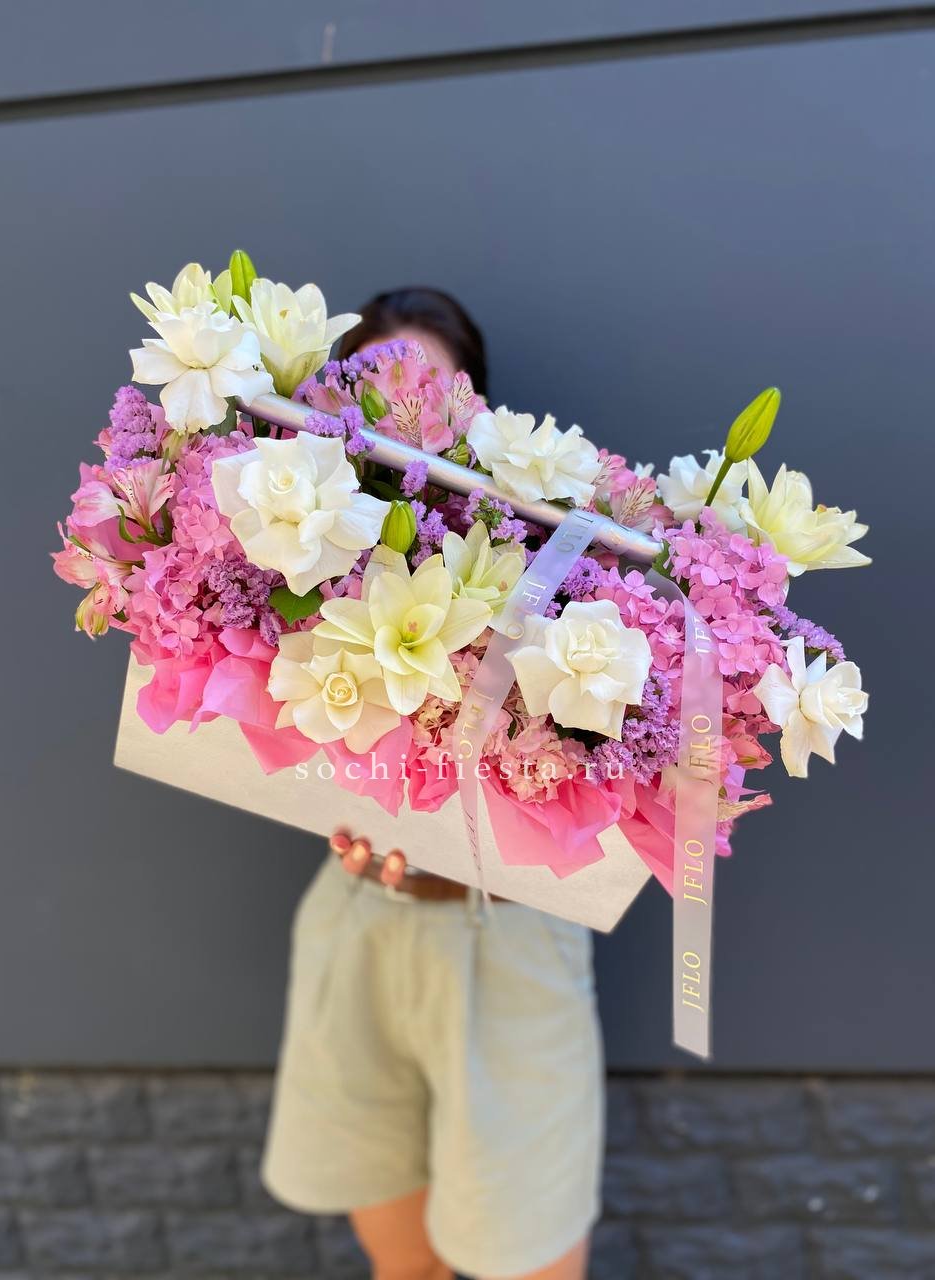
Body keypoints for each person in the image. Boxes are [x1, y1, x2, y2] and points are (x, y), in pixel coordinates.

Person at [261, 288, 604, 1280]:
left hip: (510, 938)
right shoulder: (293, 539)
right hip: (359, 914)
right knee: (402, 1264)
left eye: (433, 389)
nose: (404, 410)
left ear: (477, 411)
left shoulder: (564, 568)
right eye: (377, 384)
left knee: (525, 1257)